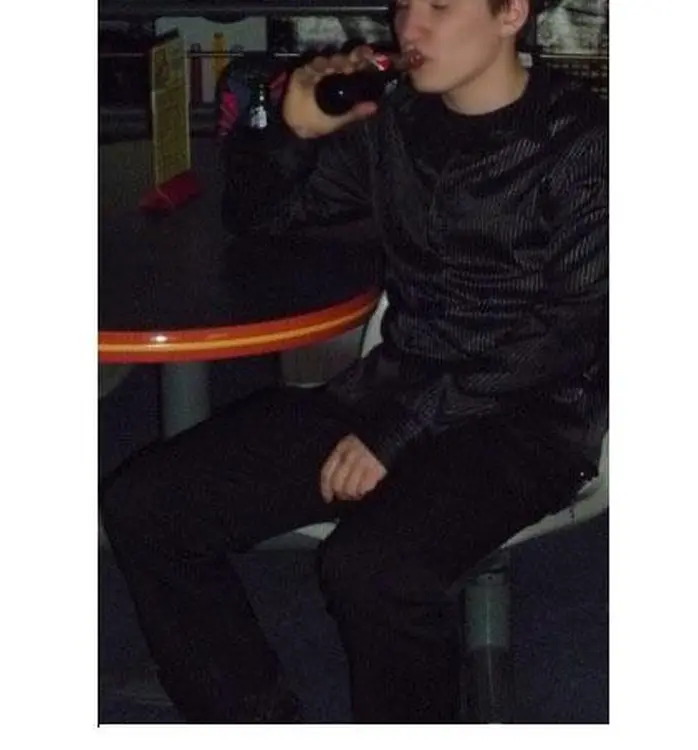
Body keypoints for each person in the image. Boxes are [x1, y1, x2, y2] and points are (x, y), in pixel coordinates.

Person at [100, 0, 608, 724]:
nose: (410, 27)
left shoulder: (582, 140)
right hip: (394, 386)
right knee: (147, 504)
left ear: (511, 15)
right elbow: (261, 220)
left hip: (528, 418)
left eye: (440, 5)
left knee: (374, 571)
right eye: (405, 5)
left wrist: (398, 430)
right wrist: (292, 134)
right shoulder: (397, 121)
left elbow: (566, 333)